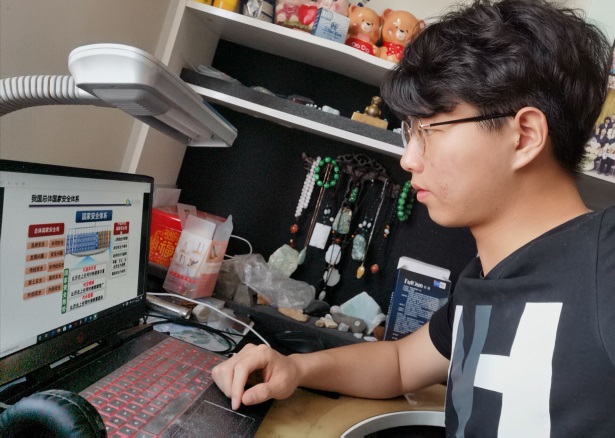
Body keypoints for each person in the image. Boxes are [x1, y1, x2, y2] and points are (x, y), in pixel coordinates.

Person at [212, 0, 615, 435]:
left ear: (524, 136)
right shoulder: (483, 279)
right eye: (410, 132)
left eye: (428, 130)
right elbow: (401, 364)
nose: (408, 159)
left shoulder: (605, 264)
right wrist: (294, 368)